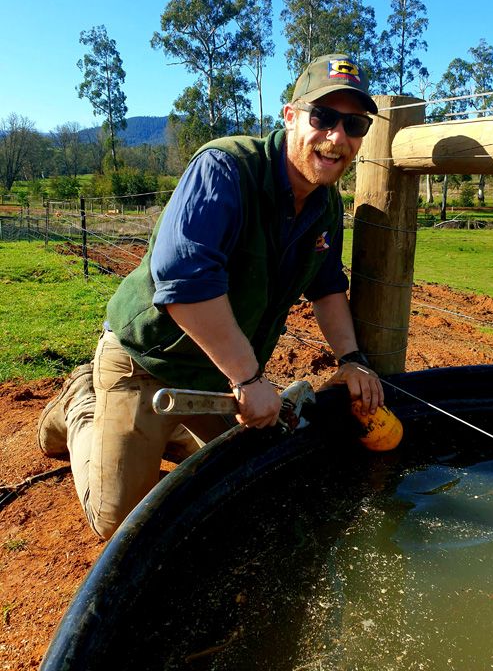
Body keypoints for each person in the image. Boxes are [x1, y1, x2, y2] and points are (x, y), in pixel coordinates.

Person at [37, 53, 384, 540]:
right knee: (121, 523)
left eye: (354, 124)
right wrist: (249, 377)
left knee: (252, 484)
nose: (337, 136)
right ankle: (80, 404)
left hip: (221, 377)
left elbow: (326, 286)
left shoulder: (325, 206)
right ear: (290, 116)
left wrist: (351, 359)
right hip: (148, 362)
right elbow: (184, 280)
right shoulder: (225, 168)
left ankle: (166, 430)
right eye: (323, 117)